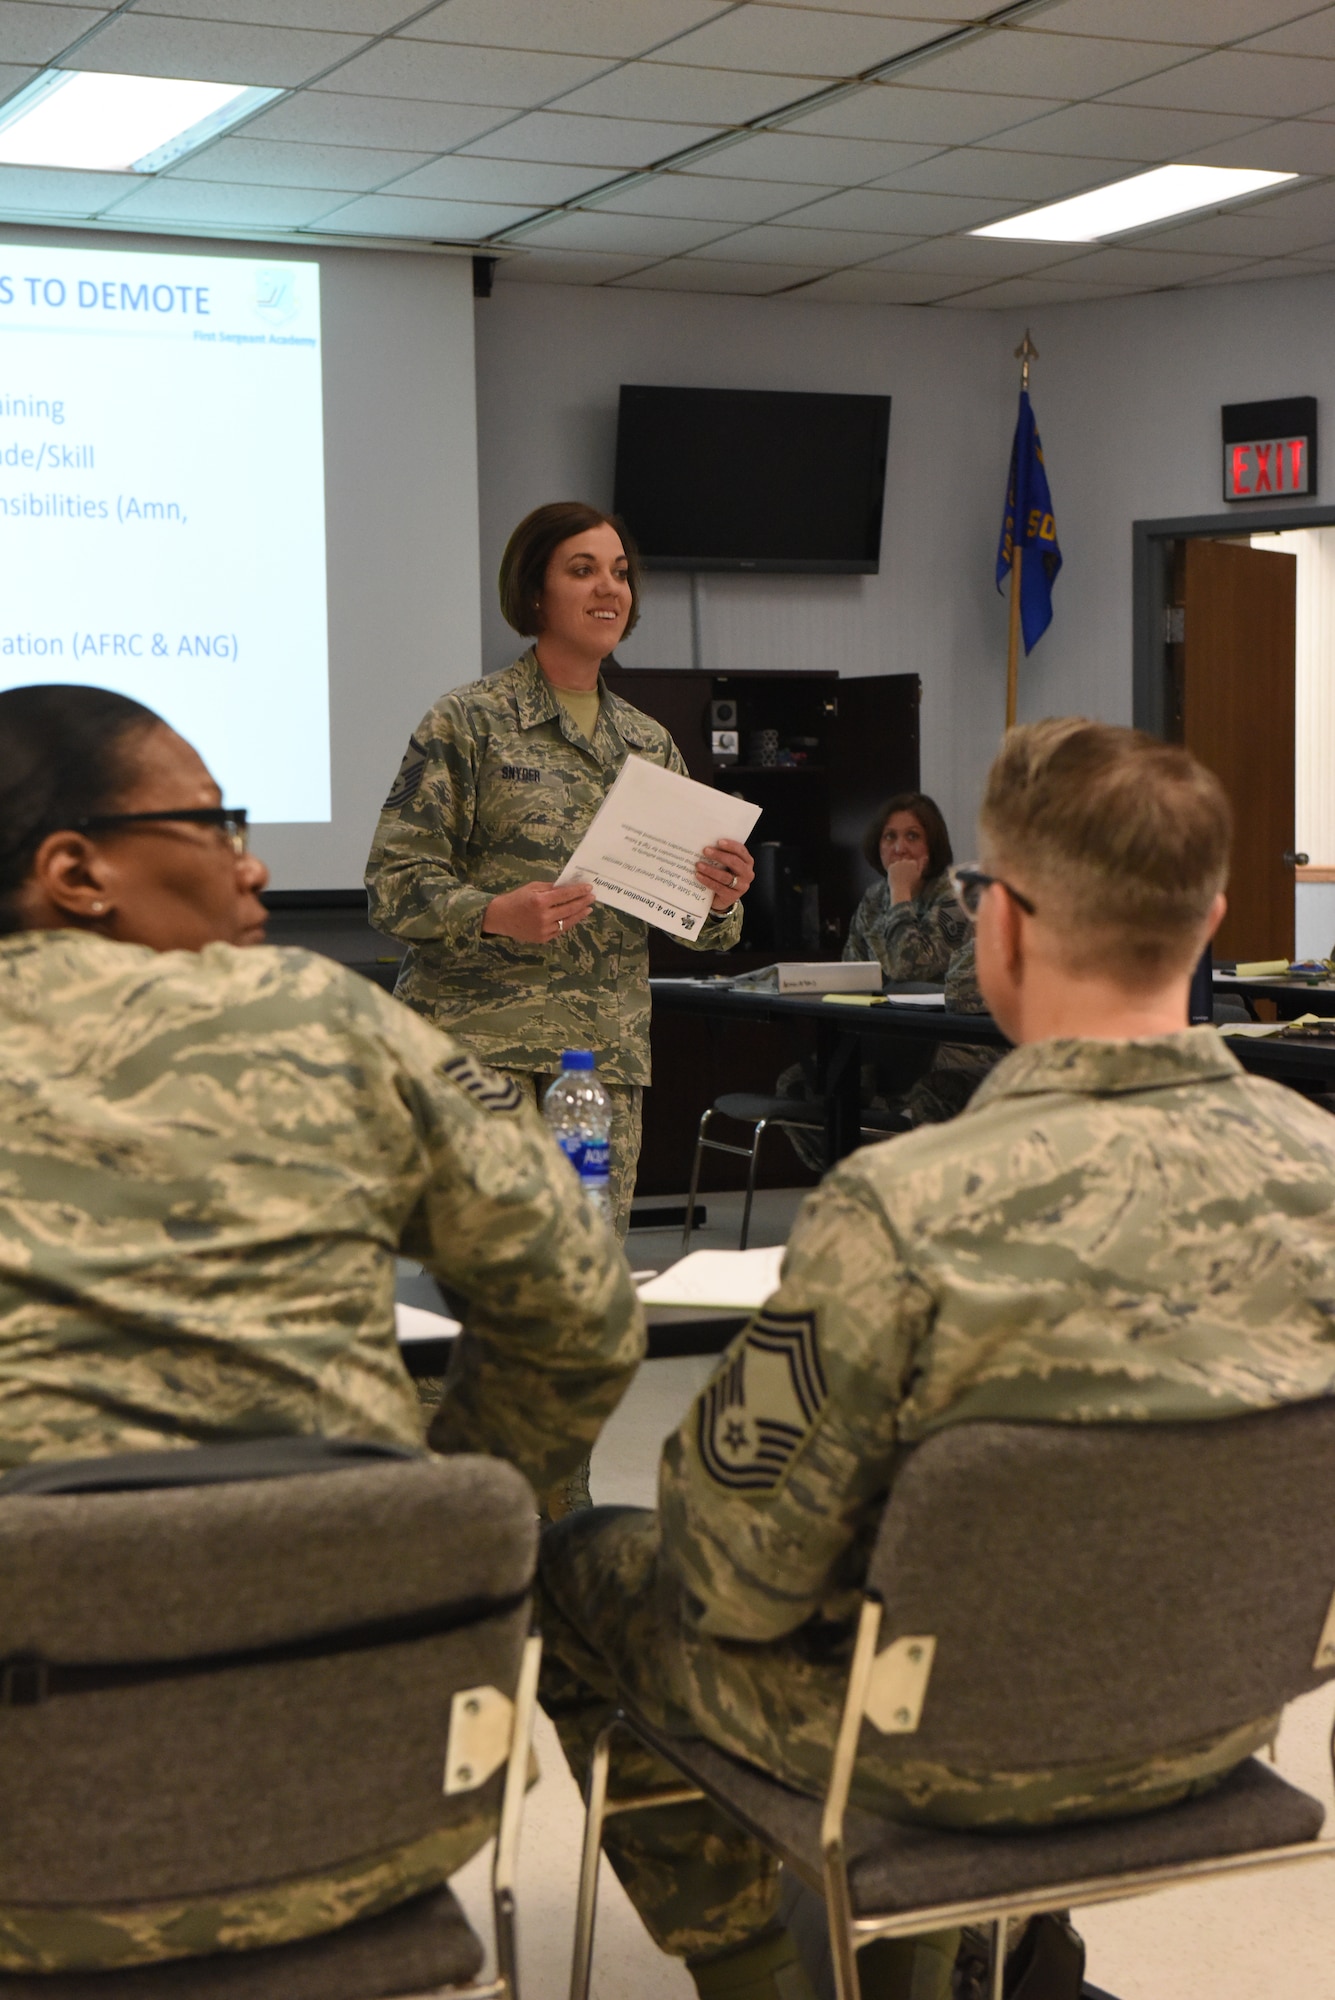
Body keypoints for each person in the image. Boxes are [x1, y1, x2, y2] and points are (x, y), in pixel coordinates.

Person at [536, 718, 1335, 2000]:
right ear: (1213, 920)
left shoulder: (905, 1204)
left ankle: (766, 1978)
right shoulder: (1323, 1172)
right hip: (1209, 1724)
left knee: (576, 1568)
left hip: (919, 1744)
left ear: (998, 928)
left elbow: (730, 1566)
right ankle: (997, 1945)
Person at [0, 683, 643, 1974]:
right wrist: (445, 1506)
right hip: (374, 1811)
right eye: (214, 823)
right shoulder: (326, 1017)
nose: (258, 863)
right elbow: (576, 1307)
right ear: (75, 872)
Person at [365, 500, 755, 1241]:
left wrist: (719, 899)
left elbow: (703, 933)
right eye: (582, 571)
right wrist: (491, 912)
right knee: (485, 1279)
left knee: (585, 1279)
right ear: (534, 593)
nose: (608, 589)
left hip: (600, 1063)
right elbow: (392, 884)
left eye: (619, 573)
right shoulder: (467, 721)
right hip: (480, 1055)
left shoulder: (647, 743)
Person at [780, 795, 994, 1168]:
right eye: (889, 837)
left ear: (933, 845)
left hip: (948, 1047)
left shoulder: (957, 895)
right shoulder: (873, 899)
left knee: (919, 1092)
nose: (899, 848)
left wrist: (900, 894)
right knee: (800, 1084)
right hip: (887, 1042)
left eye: (913, 836)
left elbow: (909, 966)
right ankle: (848, 1183)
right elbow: (852, 974)